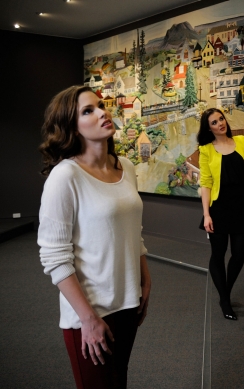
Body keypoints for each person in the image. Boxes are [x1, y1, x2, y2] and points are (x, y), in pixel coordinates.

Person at [37, 85, 151, 389]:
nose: (102, 112)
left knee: (119, 381)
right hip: (90, 311)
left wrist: (145, 278)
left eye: (101, 105)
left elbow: (133, 231)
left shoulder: (125, 166)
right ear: (71, 127)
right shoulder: (65, 176)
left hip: (128, 301)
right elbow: (54, 257)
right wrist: (87, 319)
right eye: (88, 111)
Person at [197, 108, 244, 320]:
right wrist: (206, 214)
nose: (220, 124)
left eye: (221, 119)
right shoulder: (206, 149)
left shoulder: (241, 141)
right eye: (214, 122)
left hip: (241, 207)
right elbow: (206, 183)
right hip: (218, 209)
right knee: (218, 255)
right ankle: (225, 299)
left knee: (239, 255)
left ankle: (225, 289)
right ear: (209, 128)